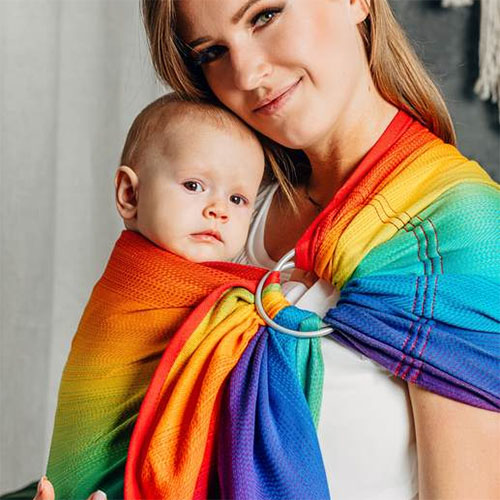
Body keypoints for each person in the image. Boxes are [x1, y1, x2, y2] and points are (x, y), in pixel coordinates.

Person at [33, 0, 500, 498]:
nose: (248, 73)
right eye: (212, 51)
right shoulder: (228, 216)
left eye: (264, 15)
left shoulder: (461, 233)